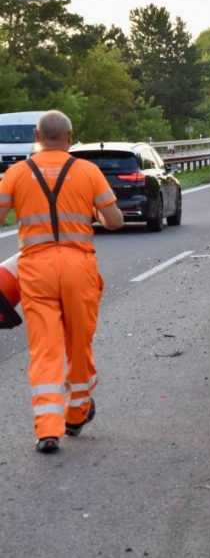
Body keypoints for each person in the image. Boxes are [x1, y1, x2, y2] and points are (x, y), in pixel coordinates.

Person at [0, 110, 124, 454]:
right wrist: (97, 213)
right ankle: (77, 412)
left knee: (45, 348)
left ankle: (47, 429)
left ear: (37, 137)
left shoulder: (16, 173)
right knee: (79, 344)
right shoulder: (88, 171)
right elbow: (113, 221)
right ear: (70, 138)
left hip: (35, 268)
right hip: (77, 266)